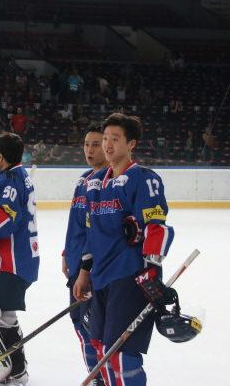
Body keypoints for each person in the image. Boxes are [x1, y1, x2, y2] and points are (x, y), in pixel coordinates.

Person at [73, 113, 176, 386]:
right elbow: (92, 234)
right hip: (101, 277)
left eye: (114, 139)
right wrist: (84, 273)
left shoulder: (142, 179)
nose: (107, 145)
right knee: (99, 345)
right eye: (105, 138)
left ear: (131, 144)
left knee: (122, 352)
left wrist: (151, 272)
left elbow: (157, 226)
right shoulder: (94, 183)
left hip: (130, 276)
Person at [0, 133, 39, 385]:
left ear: (0, 156)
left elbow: (3, 218)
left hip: (10, 259)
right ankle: (14, 369)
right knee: (3, 316)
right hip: (16, 257)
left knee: (2, 316)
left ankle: (15, 371)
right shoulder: (13, 176)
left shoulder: (11, 180)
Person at [62, 123, 109, 385]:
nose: (89, 150)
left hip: (92, 269)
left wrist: (84, 268)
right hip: (76, 263)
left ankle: (101, 376)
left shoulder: (107, 182)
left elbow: (97, 231)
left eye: (95, 144)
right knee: (80, 324)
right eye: (86, 144)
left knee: (93, 328)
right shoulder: (84, 179)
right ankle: (96, 376)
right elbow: (76, 222)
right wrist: (65, 253)